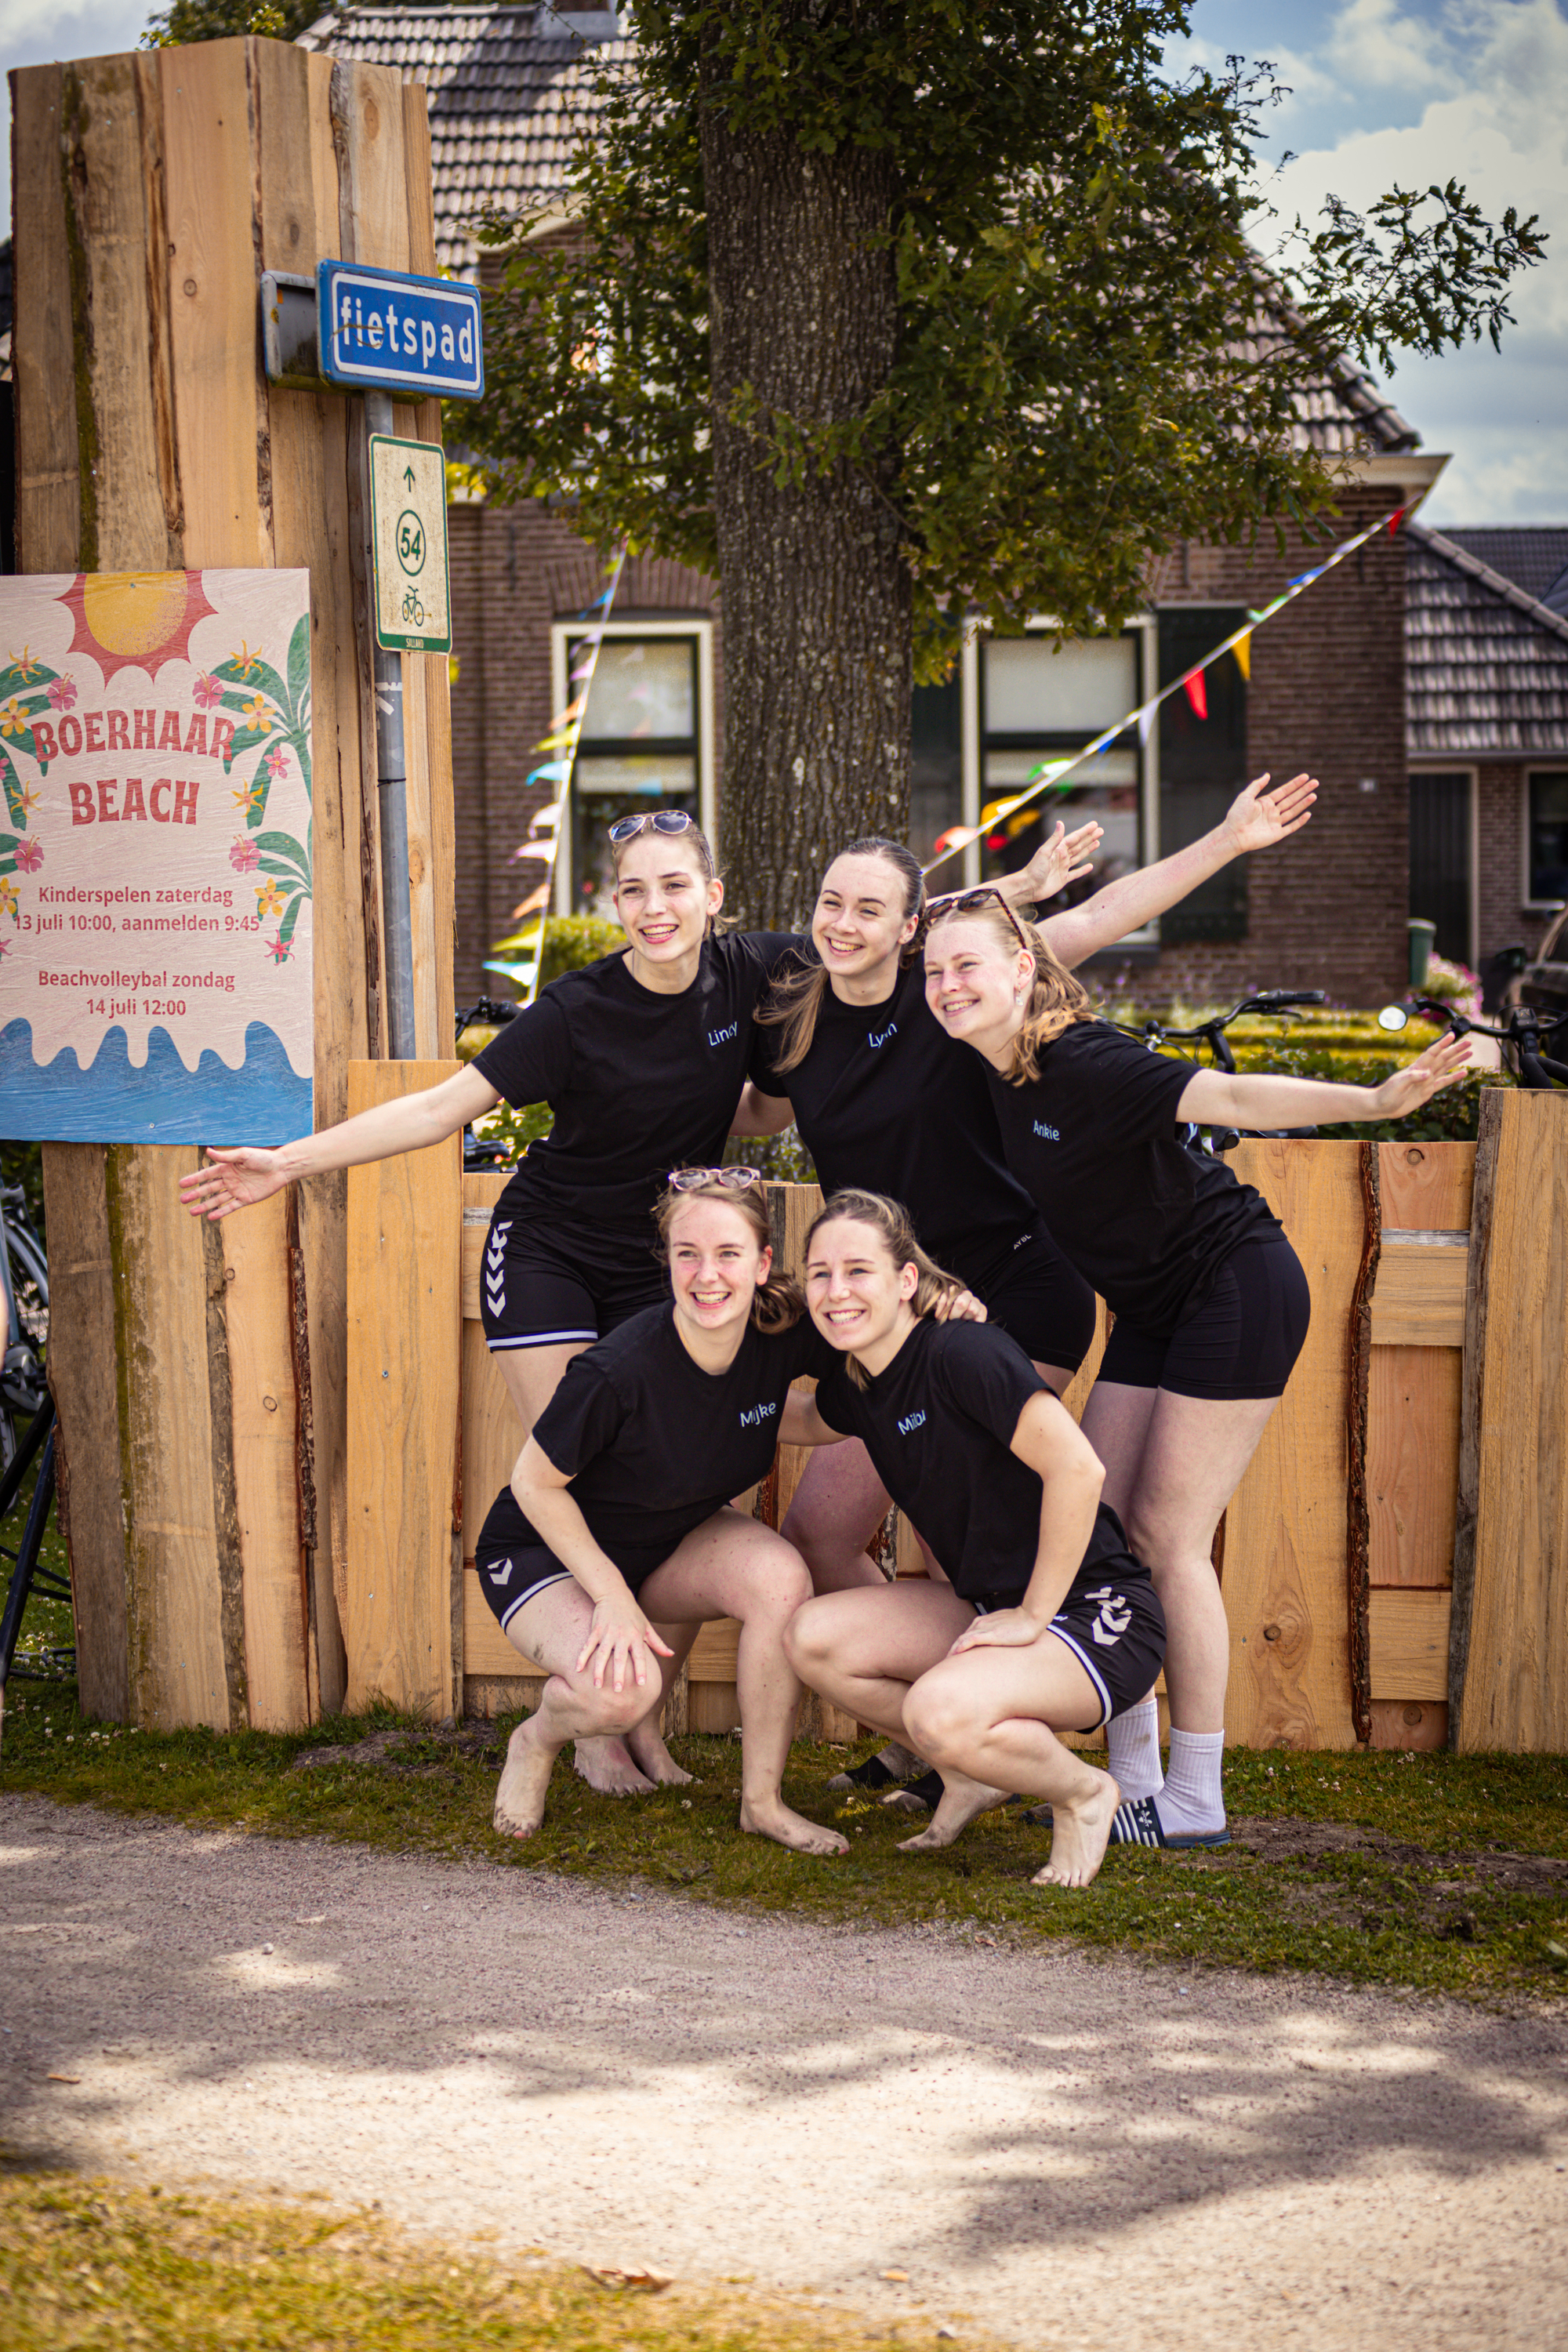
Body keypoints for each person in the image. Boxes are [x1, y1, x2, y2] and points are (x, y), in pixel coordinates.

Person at [177, 811, 797, 1798]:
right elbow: (436, 1110)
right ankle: (593, 1723)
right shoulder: (575, 1010)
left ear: (713, 897)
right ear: (612, 903)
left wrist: (1009, 902)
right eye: (632, 890)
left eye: (675, 886)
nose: (654, 908)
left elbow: (880, 943)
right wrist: (285, 1165)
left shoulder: (751, 973)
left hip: (652, 1257)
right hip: (548, 1246)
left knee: (671, 1477)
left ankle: (641, 1717)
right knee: (582, 1466)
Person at [731, 771, 1316, 1794]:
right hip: (893, 1309)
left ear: (911, 930)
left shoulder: (952, 1003)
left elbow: (1089, 918)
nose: (844, 922)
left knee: (980, 1533)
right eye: (830, 904)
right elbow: (759, 1115)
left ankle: (985, 1730)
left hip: (1005, 1295)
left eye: (872, 910)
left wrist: (1225, 841)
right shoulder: (799, 1020)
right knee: (824, 1527)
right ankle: (946, 1726)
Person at [921, 893, 1470, 1847]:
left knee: (1170, 1538)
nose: (944, 987)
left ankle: (1195, 1794)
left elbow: (1233, 1098)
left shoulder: (1083, 1060)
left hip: (1234, 1284)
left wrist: (1373, 1103)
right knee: (1104, 1533)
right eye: (933, 972)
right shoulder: (995, 1076)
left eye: (965, 966)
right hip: (1152, 1306)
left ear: (1021, 968)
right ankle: (1132, 1777)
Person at [781, 1191, 1166, 1889]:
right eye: (820, 1273)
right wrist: (699, 1366)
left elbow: (1078, 1470)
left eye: (858, 1271)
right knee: (813, 1636)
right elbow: (802, 1419)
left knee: (939, 1710)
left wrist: (1033, 1615)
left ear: (905, 1282)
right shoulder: (865, 1381)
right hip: (994, 1608)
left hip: (1096, 1611)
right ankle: (969, 1775)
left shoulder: (963, 1351)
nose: (836, 1291)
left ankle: (1082, 1794)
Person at [482, 1168, 849, 1854]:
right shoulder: (620, 1369)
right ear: (668, 1260)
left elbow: (872, 1331)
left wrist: (950, 1308)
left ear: (763, 1262)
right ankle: (535, 1740)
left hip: (660, 1546)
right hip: (544, 1551)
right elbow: (534, 1485)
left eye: (728, 1254)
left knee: (782, 1579)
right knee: (620, 1695)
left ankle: (762, 1804)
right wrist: (612, 1597)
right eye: (688, 1254)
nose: (707, 1276)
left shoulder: (780, 1331)